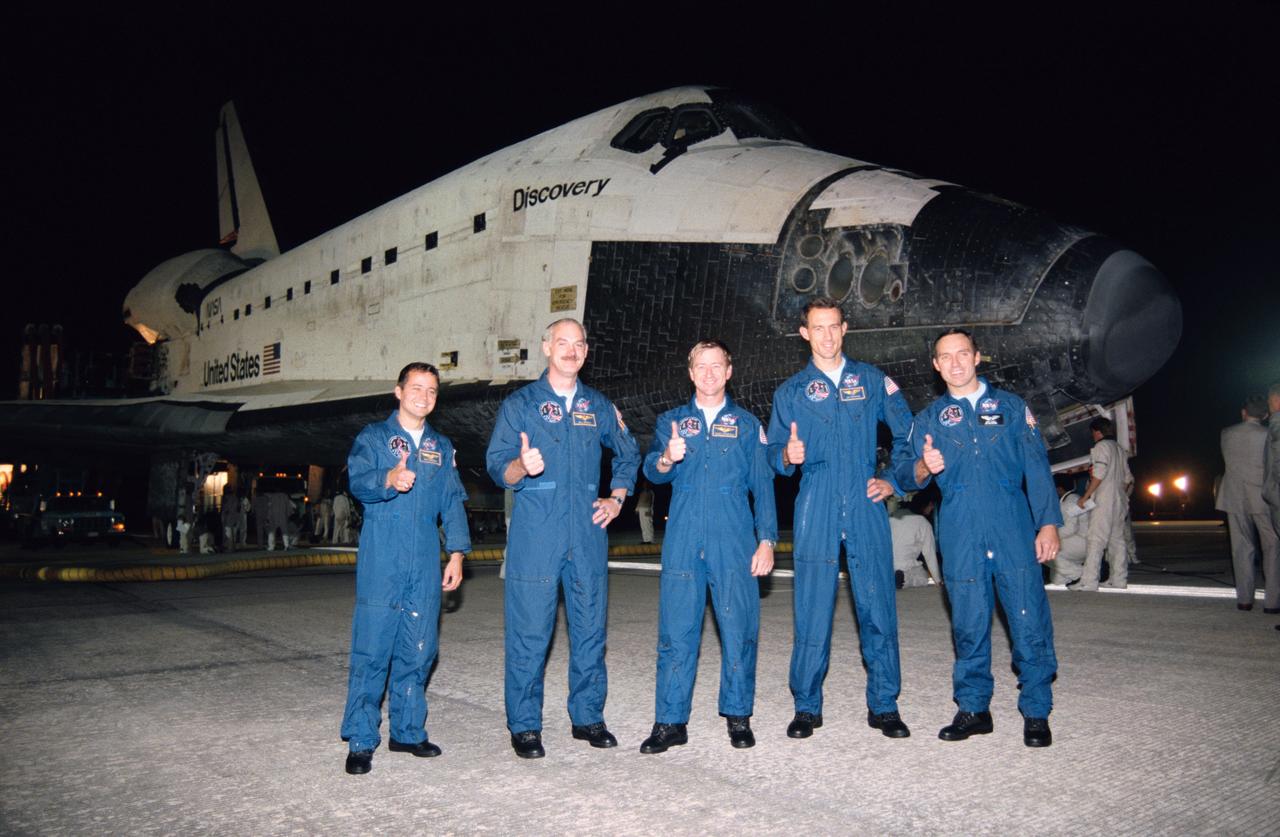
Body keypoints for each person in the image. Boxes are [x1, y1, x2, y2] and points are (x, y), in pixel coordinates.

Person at [896, 328, 1060, 747]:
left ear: (977, 357)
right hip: (960, 527)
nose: (955, 363)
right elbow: (904, 473)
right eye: (945, 357)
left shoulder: (1010, 407)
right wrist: (922, 468)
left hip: (1011, 523)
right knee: (968, 622)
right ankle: (973, 709)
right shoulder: (929, 418)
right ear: (936, 365)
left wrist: (1048, 523)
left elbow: (1037, 467)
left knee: (1027, 617)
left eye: (962, 353)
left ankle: (1036, 711)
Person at [485, 318, 640, 759]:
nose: (570, 351)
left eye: (578, 344)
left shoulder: (599, 405)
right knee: (530, 632)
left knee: (590, 628)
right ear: (546, 347)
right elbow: (497, 464)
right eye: (562, 342)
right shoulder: (521, 404)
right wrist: (520, 465)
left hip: (588, 532)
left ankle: (588, 717)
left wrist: (617, 497)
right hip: (538, 532)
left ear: (586, 352)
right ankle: (526, 726)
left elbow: (628, 450)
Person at [766, 297, 914, 741]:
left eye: (834, 326)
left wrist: (894, 481)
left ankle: (884, 705)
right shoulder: (790, 392)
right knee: (812, 606)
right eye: (818, 327)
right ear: (804, 334)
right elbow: (771, 452)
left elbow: (908, 432)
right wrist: (786, 457)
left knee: (877, 604)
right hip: (816, 499)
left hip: (865, 498)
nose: (827, 335)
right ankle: (807, 706)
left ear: (845, 329)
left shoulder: (871, 380)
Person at [638, 341, 776, 754]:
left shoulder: (749, 425)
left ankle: (738, 716)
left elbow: (763, 488)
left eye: (718, 366)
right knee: (676, 632)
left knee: (738, 630)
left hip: (734, 540)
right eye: (702, 366)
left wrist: (766, 539)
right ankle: (670, 721)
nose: (710, 373)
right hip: (683, 540)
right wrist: (666, 457)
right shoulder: (672, 422)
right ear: (691, 373)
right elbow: (653, 473)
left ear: (729, 371)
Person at [340, 362, 469, 775]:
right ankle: (361, 738)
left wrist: (457, 554)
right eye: (417, 388)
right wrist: (387, 477)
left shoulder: (440, 447)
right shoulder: (374, 438)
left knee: (419, 647)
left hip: (424, 559)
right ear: (398, 391)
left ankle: (408, 731)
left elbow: (452, 502)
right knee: (373, 648)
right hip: (383, 554)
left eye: (432, 391)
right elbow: (357, 482)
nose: (424, 396)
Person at [1216, 395, 1278, 613]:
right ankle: (1272, 601)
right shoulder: (1269, 435)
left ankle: (1244, 598)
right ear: (1265, 415)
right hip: (1261, 497)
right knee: (1272, 547)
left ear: (1244, 413)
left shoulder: (1227, 434)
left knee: (1241, 548)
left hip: (1233, 496)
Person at [1075, 417, 1134, 590]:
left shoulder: (1101, 447)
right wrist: (1117, 492)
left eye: (1093, 432)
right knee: (1117, 540)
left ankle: (1089, 581)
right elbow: (1128, 479)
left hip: (1104, 500)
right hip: (1120, 499)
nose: (1093, 436)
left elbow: (1098, 474)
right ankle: (1118, 579)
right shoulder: (1120, 449)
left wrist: (1085, 497)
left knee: (1096, 539)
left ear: (1097, 432)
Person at [889, 506, 940, 588]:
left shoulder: (888, 519)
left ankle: (889, 579)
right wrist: (937, 579)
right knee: (923, 577)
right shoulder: (922, 522)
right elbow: (929, 553)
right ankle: (906, 579)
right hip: (905, 565)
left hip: (886, 565)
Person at [1052, 479, 1089, 585]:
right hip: (1084, 542)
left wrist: (1051, 536)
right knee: (1057, 580)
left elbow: (1070, 529)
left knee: (1043, 550)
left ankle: (1080, 574)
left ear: (1059, 489)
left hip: (1081, 542)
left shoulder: (1068, 503)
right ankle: (1071, 575)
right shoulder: (1076, 498)